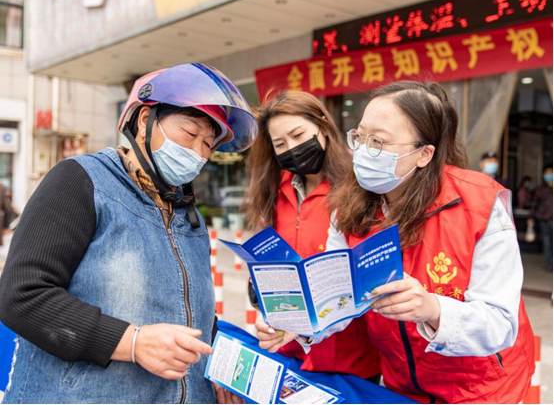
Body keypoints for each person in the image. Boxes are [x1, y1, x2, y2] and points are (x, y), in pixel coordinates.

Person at [256, 81, 535, 404]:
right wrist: (299, 321)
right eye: (360, 137)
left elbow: (500, 324)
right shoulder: (348, 207)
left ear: (424, 154)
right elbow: (337, 293)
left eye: (379, 141)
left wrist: (432, 309)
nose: (363, 151)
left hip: (481, 388)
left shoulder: (482, 206)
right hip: (400, 383)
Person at [0, 63, 258, 404]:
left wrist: (217, 372)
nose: (199, 153)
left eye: (208, 144)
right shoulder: (82, 181)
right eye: (189, 133)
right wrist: (132, 342)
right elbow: (21, 295)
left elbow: (193, 312)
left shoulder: (188, 216)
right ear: (145, 121)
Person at [245, 91, 381, 382]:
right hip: (288, 354)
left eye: (298, 135)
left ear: (322, 126)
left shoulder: (359, 188)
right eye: (280, 144)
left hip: (349, 363)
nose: (292, 148)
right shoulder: (274, 192)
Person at [529, 165, 553, 272]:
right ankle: (549, 264)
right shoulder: (540, 190)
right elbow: (534, 205)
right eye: (547, 173)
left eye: (551, 172)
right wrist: (530, 217)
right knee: (547, 243)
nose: (550, 175)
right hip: (545, 221)